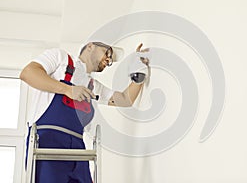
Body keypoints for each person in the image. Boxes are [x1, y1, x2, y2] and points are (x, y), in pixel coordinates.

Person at [20, 41, 150, 183]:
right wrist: (68, 90)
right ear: (90, 46)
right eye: (107, 53)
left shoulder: (92, 85)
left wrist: (138, 73)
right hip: (47, 141)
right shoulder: (60, 58)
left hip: (78, 148)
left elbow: (125, 99)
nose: (108, 60)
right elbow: (28, 73)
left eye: (111, 59)